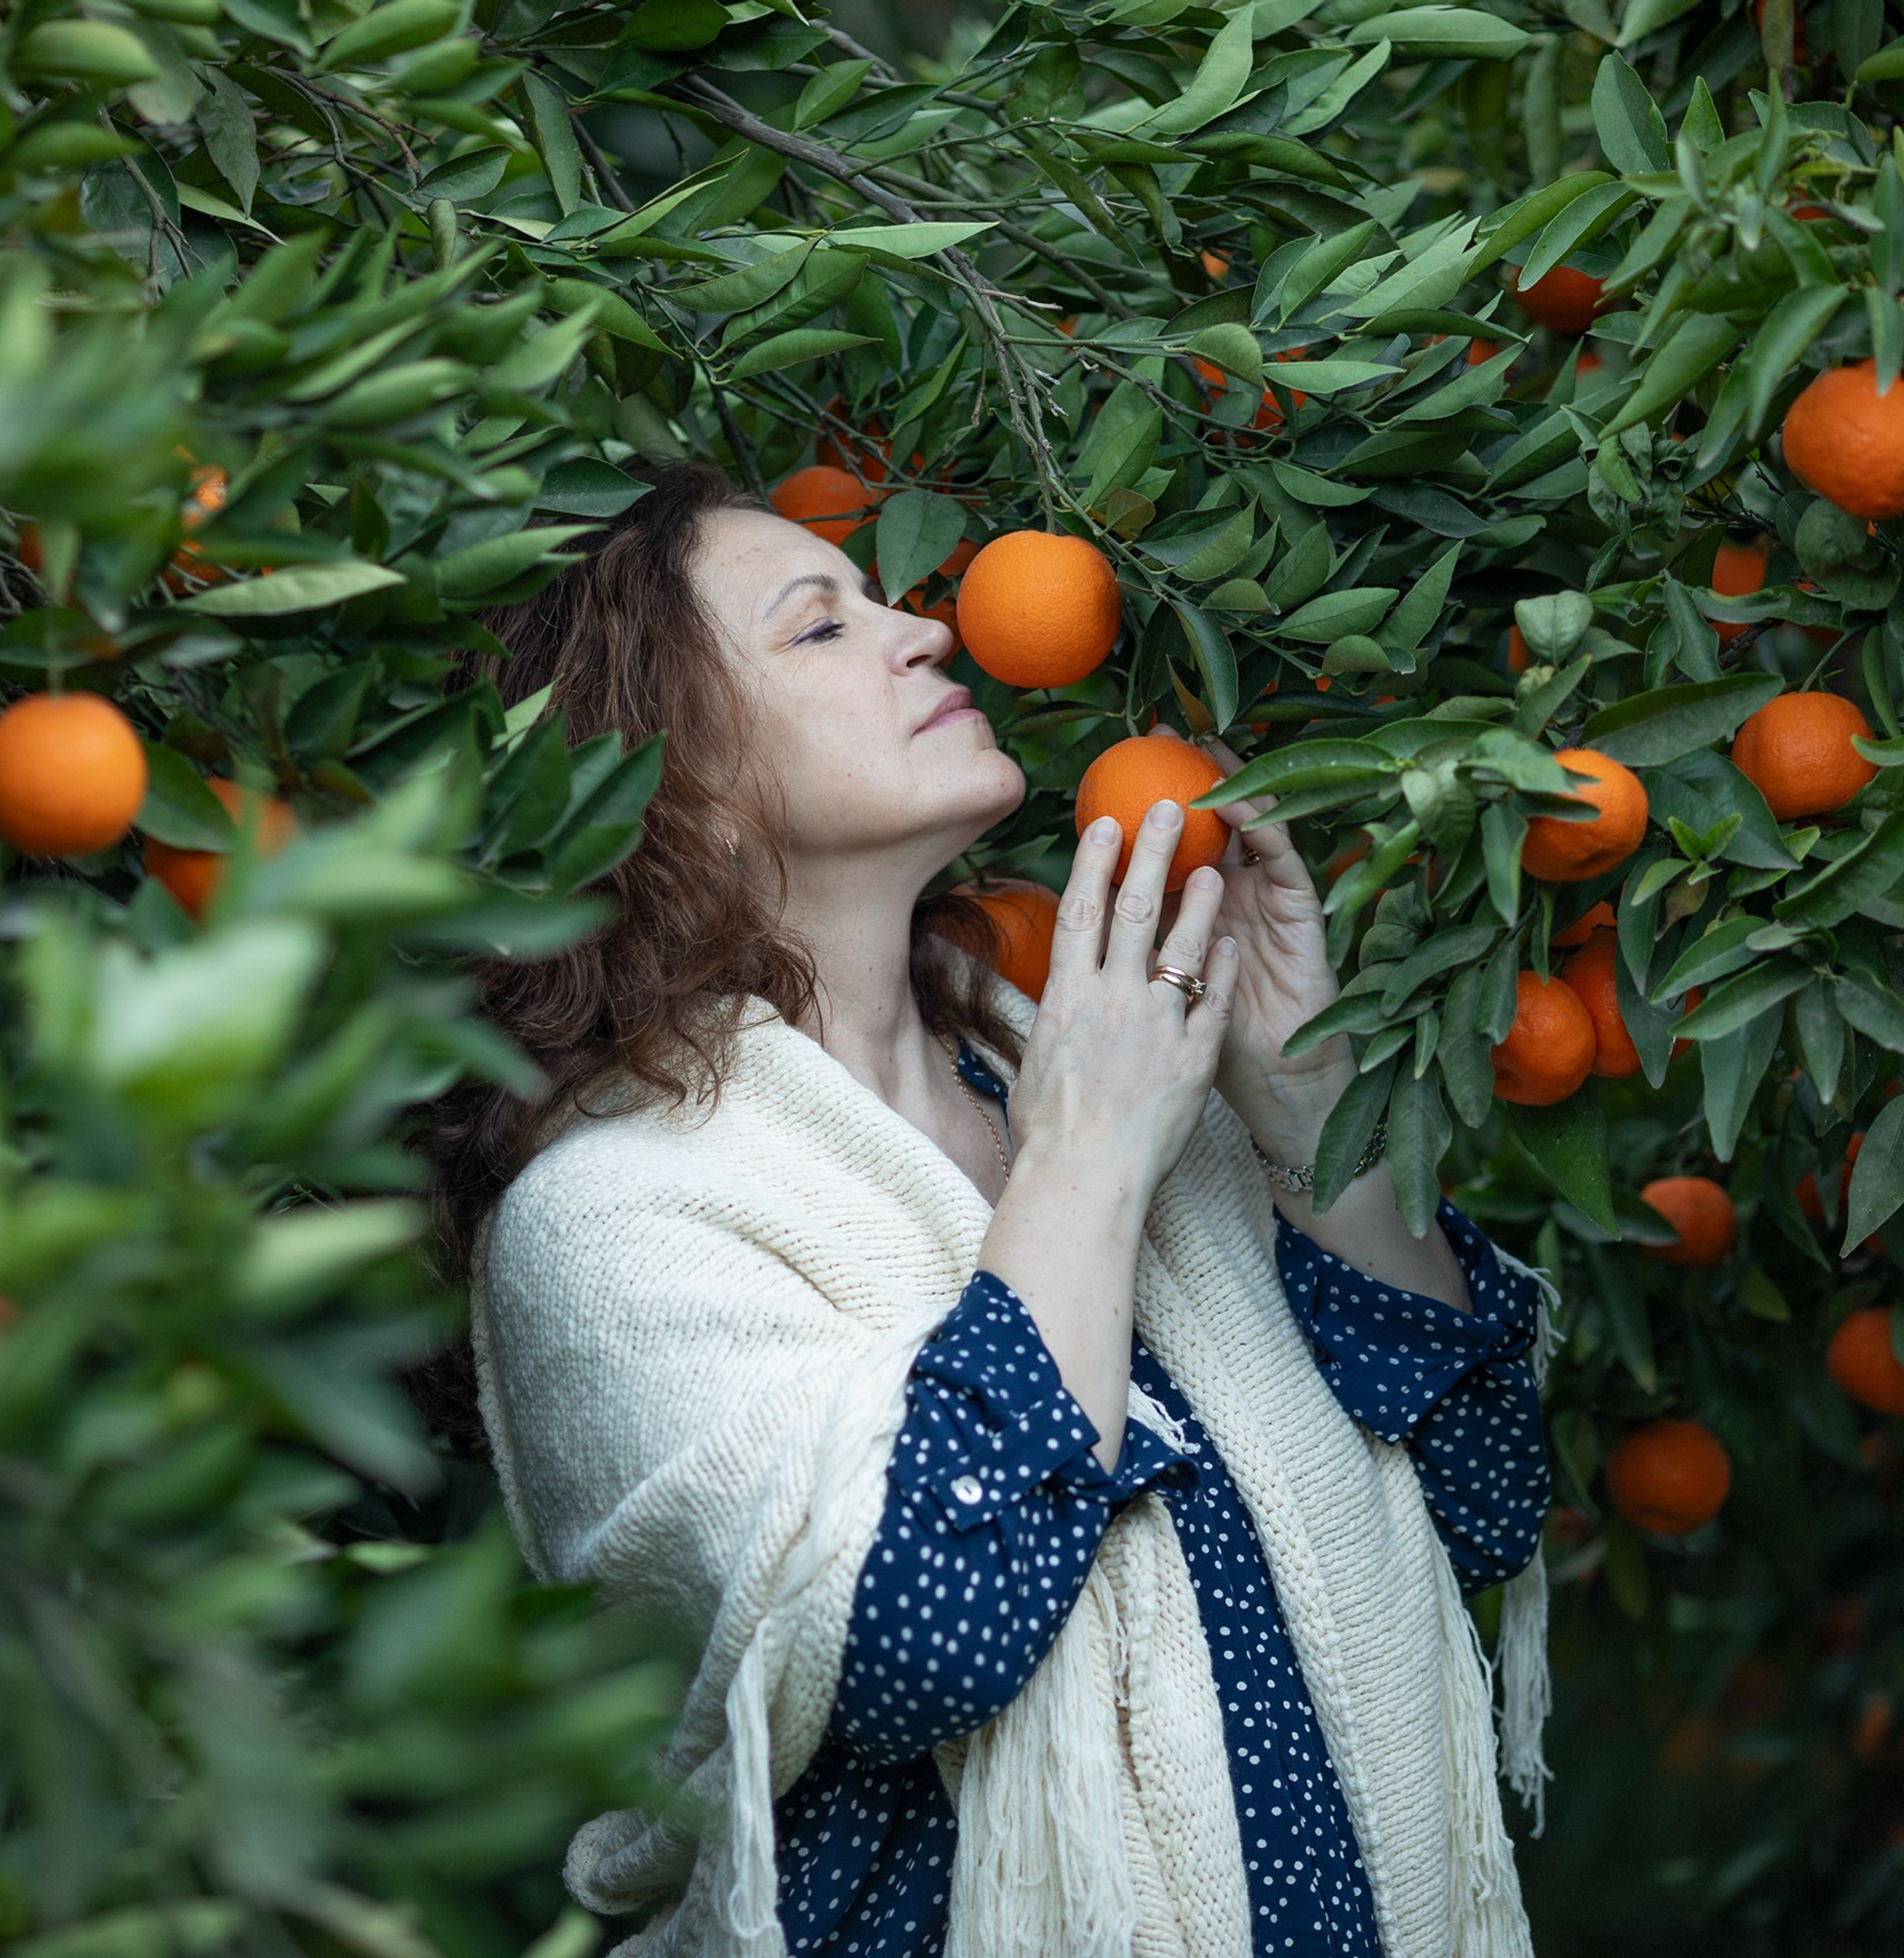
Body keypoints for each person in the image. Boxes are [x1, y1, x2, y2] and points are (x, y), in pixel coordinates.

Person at [418, 457, 1555, 1958]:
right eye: (820, 626)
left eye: (882, 602)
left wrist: (1304, 1113)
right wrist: (1083, 1159)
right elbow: (913, 1628)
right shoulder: (618, 1223)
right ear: (667, 782)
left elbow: (1484, 1493)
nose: (924, 632)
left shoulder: (1085, 1073)